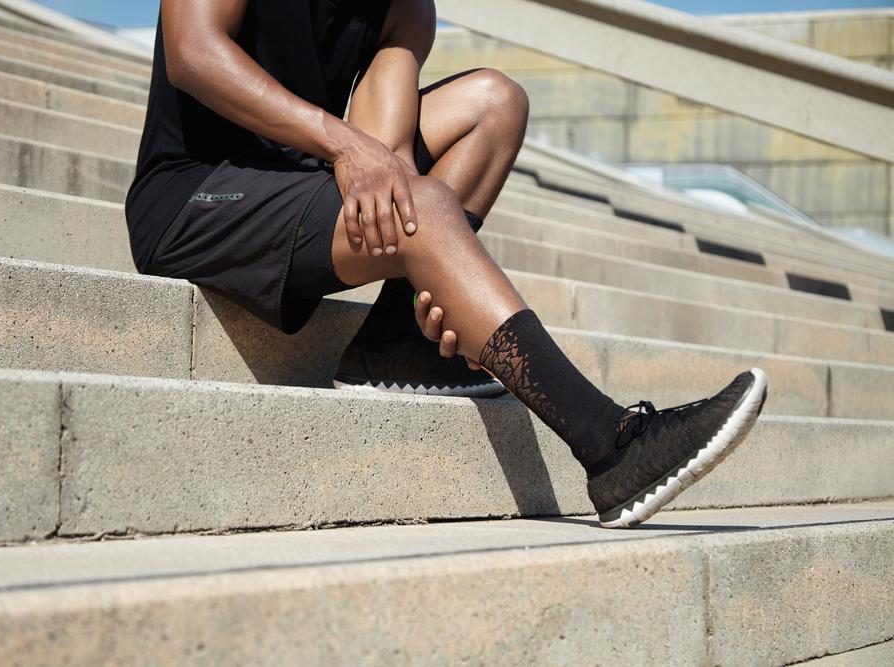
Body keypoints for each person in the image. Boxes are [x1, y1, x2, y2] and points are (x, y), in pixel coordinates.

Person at [126, 0, 769, 528]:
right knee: (425, 204)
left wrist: (431, 266)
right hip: (196, 196)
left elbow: (389, 154)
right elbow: (193, 52)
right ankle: (611, 445)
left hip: (301, 185)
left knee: (495, 102)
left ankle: (396, 343)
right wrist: (342, 144)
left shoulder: (405, 7)